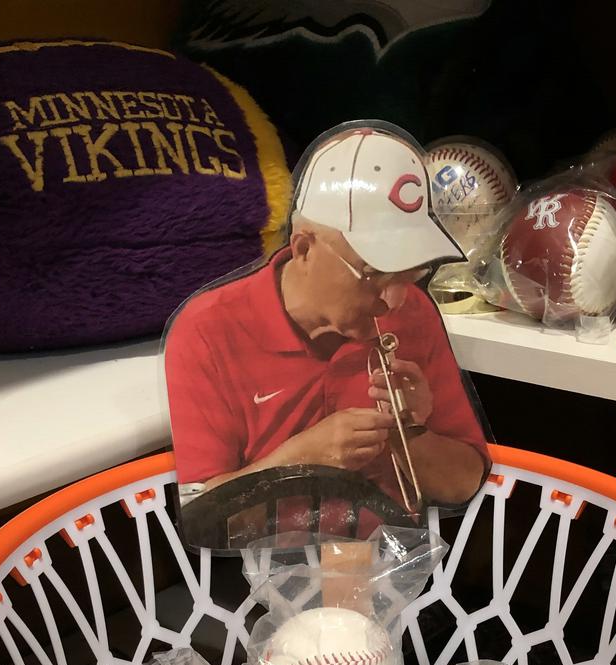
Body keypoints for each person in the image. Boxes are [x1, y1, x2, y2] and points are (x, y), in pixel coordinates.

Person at [165, 127, 490, 527]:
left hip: (394, 556)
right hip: (261, 564)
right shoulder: (207, 330)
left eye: (410, 273)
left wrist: (409, 431)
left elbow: (463, 485)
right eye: (374, 273)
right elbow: (203, 521)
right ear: (304, 249)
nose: (393, 300)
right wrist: (302, 459)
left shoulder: (413, 314)